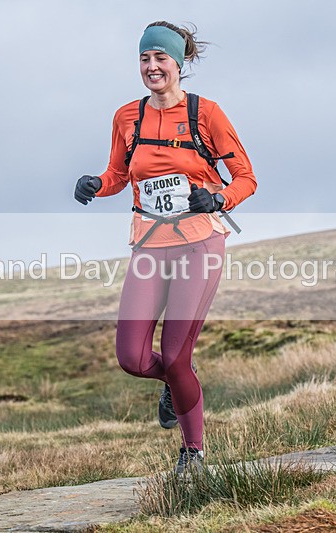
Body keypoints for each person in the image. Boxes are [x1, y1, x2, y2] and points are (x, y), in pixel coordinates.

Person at [74, 21, 257, 474]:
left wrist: (217, 198)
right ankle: (177, 384)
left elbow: (247, 179)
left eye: (160, 59)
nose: (152, 67)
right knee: (133, 357)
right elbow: (119, 175)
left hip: (200, 243)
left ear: (179, 63)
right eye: (144, 59)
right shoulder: (126, 117)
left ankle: (193, 453)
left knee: (177, 355)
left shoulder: (206, 114)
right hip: (149, 246)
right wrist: (96, 184)